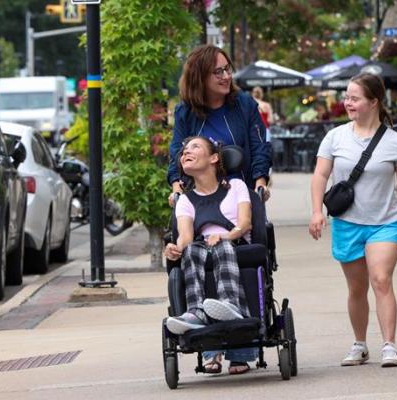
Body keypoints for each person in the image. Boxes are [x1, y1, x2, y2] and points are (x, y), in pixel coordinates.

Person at [308, 73, 397, 368]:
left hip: (386, 222)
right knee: (357, 288)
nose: (348, 103)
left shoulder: (395, 142)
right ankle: (360, 343)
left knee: (381, 279)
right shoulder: (335, 137)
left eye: (354, 98)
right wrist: (317, 211)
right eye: (347, 97)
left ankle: (389, 345)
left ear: (373, 102)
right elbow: (320, 175)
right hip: (347, 222)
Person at [164, 136, 255, 375]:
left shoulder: (236, 186)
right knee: (191, 250)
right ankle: (196, 313)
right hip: (202, 248)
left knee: (222, 248)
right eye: (184, 150)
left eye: (195, 147)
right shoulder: (185, 200)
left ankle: (230, 305)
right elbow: (185, 236)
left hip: (233, 243)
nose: (186, 152)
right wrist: (175, 247)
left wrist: (225, 236)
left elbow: (245, 223)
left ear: (214, 157)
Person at [167, 45, 271, 206]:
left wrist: (260, 182)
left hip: (242, 198)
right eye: (218, 72)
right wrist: (176, 187)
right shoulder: (185, 111)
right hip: (199, 201)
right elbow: (177, 153)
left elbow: (260, 147)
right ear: (199, 77)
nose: (227, 76)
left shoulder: (245, 105)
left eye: (228, 69)